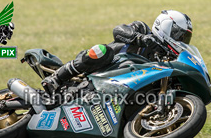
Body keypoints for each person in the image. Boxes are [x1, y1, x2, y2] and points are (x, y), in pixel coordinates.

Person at [42, 10, 193, 94]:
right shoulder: (142, 29)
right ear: (166, 26)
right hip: (103, 67)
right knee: (102, 51)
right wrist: (140, 38)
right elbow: (118, 31)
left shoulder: (166, 59)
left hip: (120, 89)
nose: (181, 40)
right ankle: (57, 77)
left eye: (185, 37)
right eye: (179, 35)